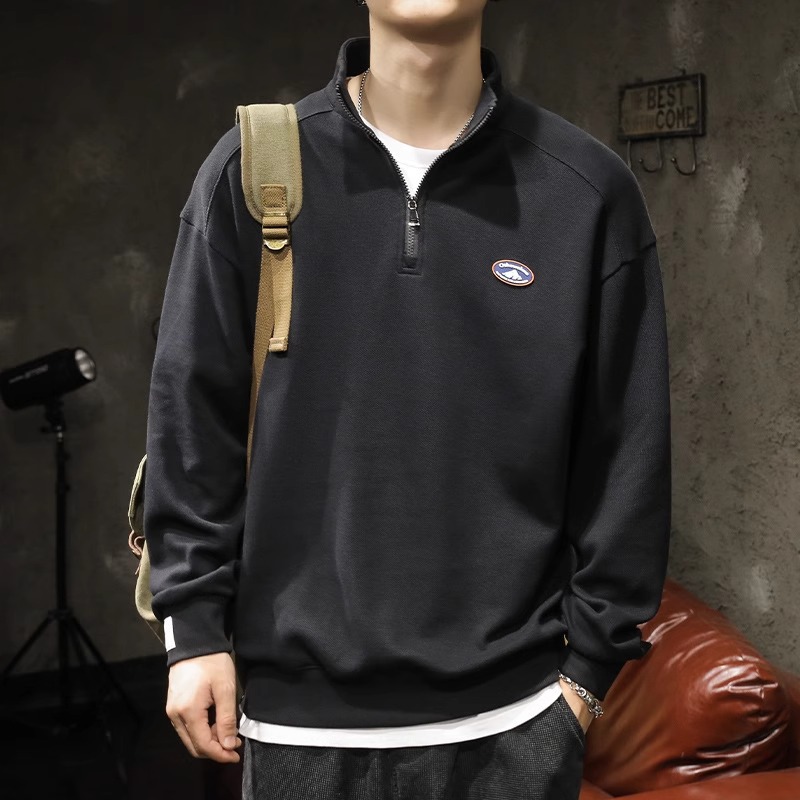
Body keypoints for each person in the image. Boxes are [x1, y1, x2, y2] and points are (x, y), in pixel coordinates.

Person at [143, 0, 672, 797]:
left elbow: (628, 454)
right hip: (297, 729)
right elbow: (192, 420)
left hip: (516, 727)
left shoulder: (586, 191)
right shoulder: (253, 170)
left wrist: (587, 679)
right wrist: (192, 632)